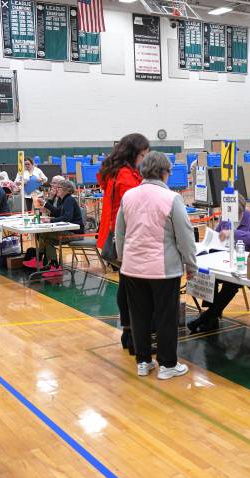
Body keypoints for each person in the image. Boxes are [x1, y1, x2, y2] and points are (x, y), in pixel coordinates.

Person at [116, 152, 197, 380]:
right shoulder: (171, 198)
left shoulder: (128, 196)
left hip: (132, 268)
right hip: (162, 270)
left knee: (139, 316)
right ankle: (168, 365)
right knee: (165, 317)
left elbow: (119, 232)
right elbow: (185, 235)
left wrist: (124, 257)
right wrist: (191, 264)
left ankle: (143, 361)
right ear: (164, 172)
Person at [97, 133, 150, 352]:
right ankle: (134, 337)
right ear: (133, 153)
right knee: (134, 291)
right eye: (143, 155)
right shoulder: (126, 176)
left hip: (114, 236)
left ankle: (128, 333)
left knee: (126, 286)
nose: (144, 159)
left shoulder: (112, 171)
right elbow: (131, 209)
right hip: (126, 238)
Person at [187, 194, 250, 334]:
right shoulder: (225, 218)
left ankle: (207, 317)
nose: (225, 215)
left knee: (231, 284)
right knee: (208, 274)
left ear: (240, 210)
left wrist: (233, 233)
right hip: (223, 261)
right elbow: (216, 236)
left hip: (243, 266)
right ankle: (211, 318)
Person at [35, 179, 84, 278]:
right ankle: (54, 265)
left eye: (59, 187)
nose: (57, 189)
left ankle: (39, 259)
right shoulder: (64, 199)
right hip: (69, 231)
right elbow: (57, 212)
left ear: (66, 189)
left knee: (44, 234)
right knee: (48, 240)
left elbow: (67, 217)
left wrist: (51, 221)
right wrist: (45, 203)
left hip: (75, 233)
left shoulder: (69, 199)